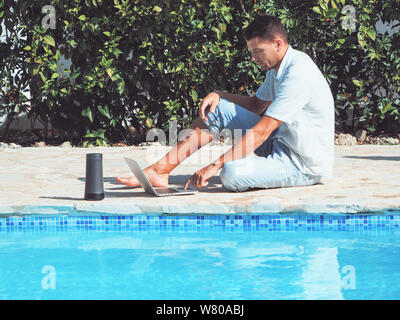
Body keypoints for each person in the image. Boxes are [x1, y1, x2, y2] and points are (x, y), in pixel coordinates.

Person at [116, 14, 334, 192]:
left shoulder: (298, 75)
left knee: (231, 173)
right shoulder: (277, 68)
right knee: (216, 108)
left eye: (257, 51)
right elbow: (257, 104)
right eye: (251, 52)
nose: (253, 58)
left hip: (301, 164)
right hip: (280, 143)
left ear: (277, 44)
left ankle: (255, 170)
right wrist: (219, 94)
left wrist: (215, 165)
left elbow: (262, 131)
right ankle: (160, 170)